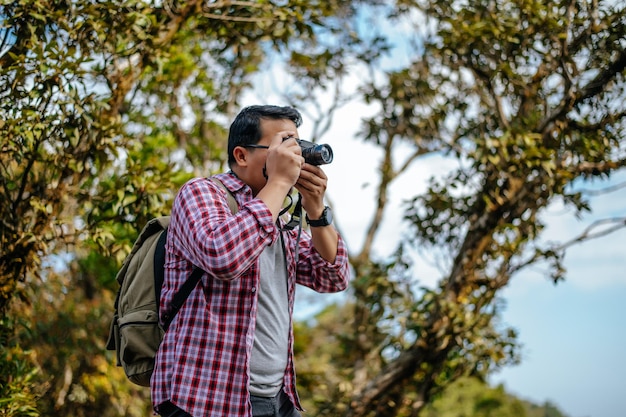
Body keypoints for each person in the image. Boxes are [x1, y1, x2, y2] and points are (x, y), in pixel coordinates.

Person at [151, 105, 351, 417]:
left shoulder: (280, 218)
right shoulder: (203, 193)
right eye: (284, 146)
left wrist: (316, 209)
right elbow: (223, 257)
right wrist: (280, 183)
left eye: (297, 146)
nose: (294, 157)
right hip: (204, 397)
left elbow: (332, 277)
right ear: (242, 156)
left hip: (275, 398)